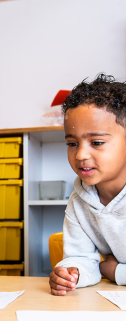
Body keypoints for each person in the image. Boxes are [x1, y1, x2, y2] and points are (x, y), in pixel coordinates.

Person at [49, 73, 126, 295]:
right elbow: (81, 259)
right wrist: (71, 273)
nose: (81, 154)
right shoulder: (79, 201)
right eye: (72, 143)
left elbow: (106, 269)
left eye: (97, 142)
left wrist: (114, 272)